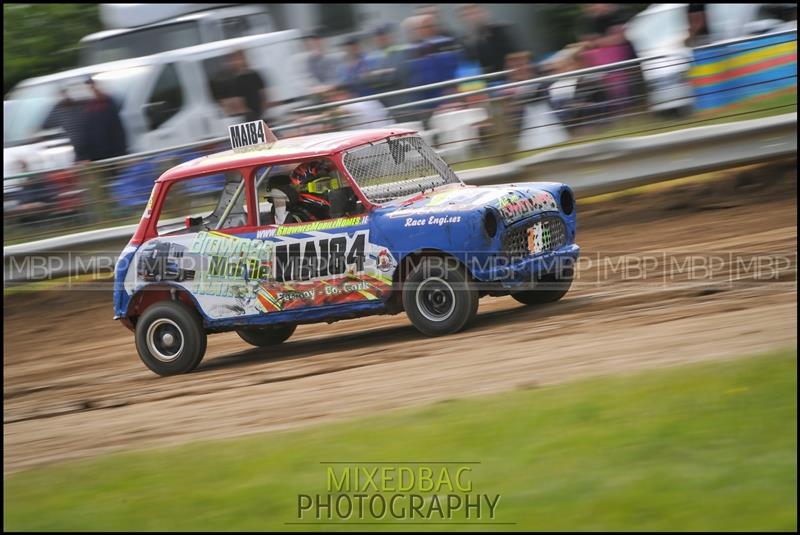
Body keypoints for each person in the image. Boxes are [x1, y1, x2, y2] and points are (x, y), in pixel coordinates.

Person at [458, 4, 517, 75]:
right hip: (481, 80)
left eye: (475, 11)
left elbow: (515, 57)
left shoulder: (502, 31)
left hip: (507, 76)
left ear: (484, 12)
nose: (472, 16)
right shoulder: (464, 41)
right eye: (467, 14)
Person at [80, 77, 127, 161]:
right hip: (96, 154)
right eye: (91, 87)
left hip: (113, 152)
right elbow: (86, 132)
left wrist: (121, 153)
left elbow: (118, 129)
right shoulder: (88, 107)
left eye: (94, 86)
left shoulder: (110, 103)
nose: (94, 90)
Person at [223, 50, 270, 122]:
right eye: (235, 59)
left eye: (240, 58)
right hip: (246, 116)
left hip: (260, 113)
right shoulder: (233, 79)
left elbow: (263, 94)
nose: (238, 62)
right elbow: (236, 100)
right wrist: (246, 113)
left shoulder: (254, 75)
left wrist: (263, 110)